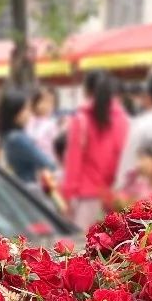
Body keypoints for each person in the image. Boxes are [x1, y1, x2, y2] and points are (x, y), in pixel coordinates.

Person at [61, 70, 129, 230]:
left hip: (86, 199)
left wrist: (67, 197)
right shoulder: (122, 119)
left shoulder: (81, 119)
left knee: (83, 249)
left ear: (86, 90)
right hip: (114, 199)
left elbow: (73, 162)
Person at [0, 89, 56, 185]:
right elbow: (47, 163)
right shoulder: (18, 138)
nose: (30, 113)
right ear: (17, 113)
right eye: (27, 109)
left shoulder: (8, 135)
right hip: (27, 187)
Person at [26, 85, 60, 164]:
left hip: (46, 165)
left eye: (51, 102)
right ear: (35, 101)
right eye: (44, 101)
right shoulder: (28, 121)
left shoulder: (52, 124)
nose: (46, 105)